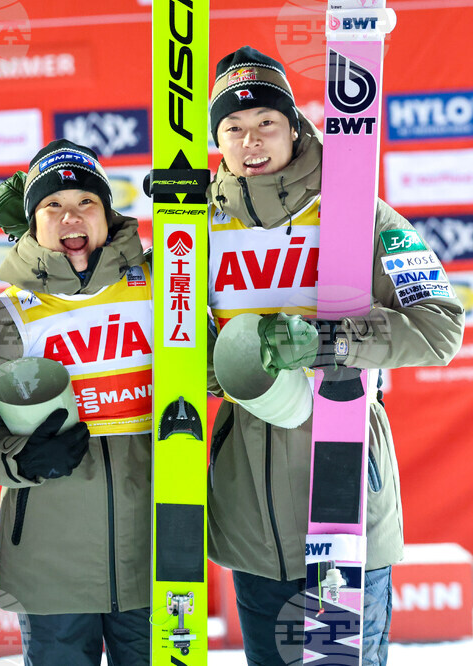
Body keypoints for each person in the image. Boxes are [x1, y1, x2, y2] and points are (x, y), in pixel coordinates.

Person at [205, 46, 465, 666]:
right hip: (249, 507)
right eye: (233, 129)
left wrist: (332, 342)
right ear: (218, 141)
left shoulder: (360, 213)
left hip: (346, 497)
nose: (251, 141)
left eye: (266, 122)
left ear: (294, 126)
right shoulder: (195, 230)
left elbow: (441, 326)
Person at [0, 139, 153, 665]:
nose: (70, 218)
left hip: (154, 547)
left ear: (107, 212)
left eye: (85, 203)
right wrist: (17, 459)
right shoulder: (6, 314)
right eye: (53, 205)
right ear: (33, 222)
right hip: (49, 560)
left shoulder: (160, 281)